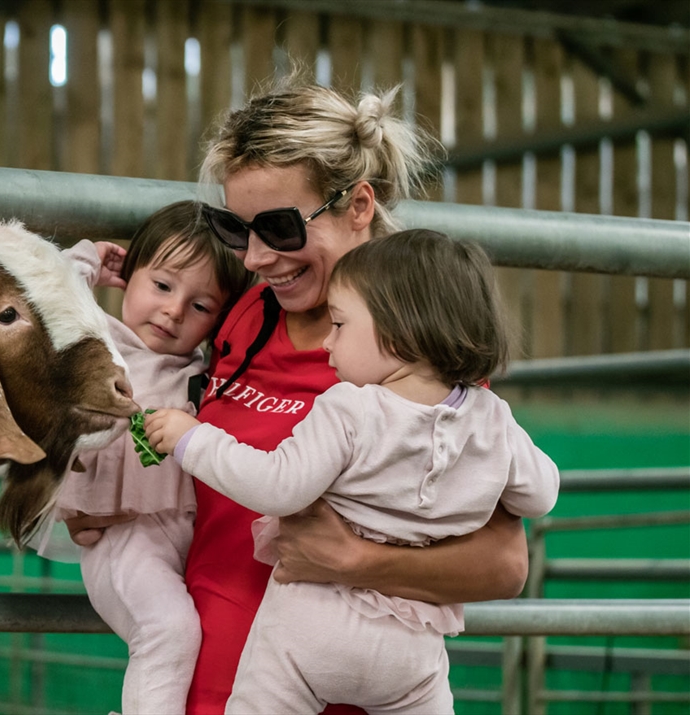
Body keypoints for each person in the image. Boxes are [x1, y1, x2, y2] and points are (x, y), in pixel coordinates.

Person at [64, 72, 532, 715]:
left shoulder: (416, 352)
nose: (255, 257)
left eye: (280, 228)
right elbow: (172, 423)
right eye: (237, 229)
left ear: (358, 206)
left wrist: (356, 560)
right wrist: (110, 499)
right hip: (204, 686)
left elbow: (504, 564)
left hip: (334, 689)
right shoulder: (242, 316)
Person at [144, 229, 560, 713]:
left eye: (340, 325)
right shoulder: (493, 416)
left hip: (309, 633)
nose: (327, 341)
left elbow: (278, 487)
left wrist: (192, 439)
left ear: (400, 335)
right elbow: (541, 496)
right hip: (411, 652)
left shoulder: (350, 407)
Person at [35, 201, 253, 715]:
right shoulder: (98, 341)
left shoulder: (201, 370)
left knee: (196, 635)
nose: (174, 311)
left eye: (201, 306)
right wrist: (92, 259)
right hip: (121, 536)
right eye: (161, 285)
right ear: (129, 276)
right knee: (168, 630)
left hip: (184, 537)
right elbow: (44, 295)